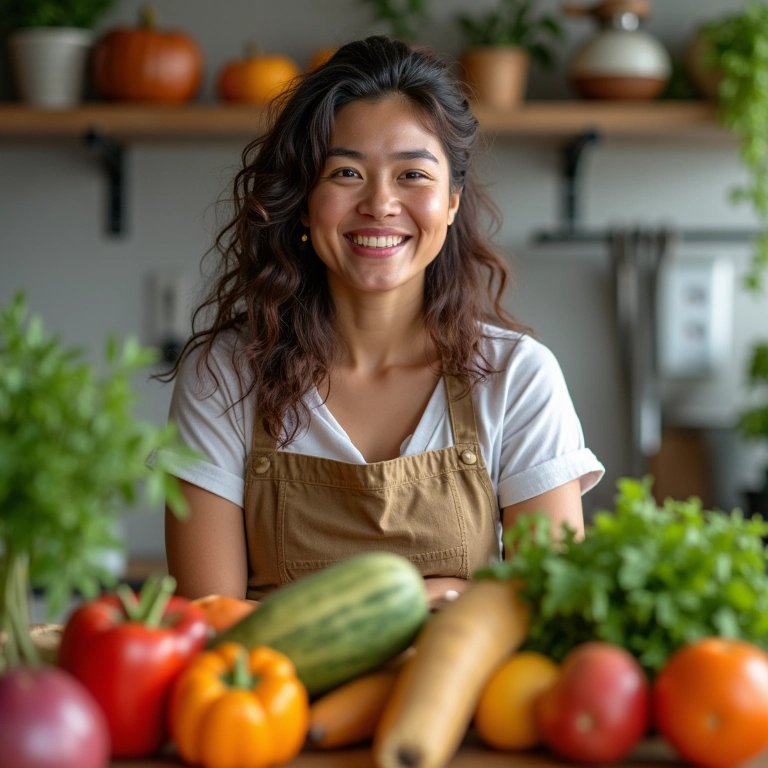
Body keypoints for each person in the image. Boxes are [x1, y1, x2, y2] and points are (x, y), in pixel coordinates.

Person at [155, 36, 604, 608]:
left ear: (452, 200)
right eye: (345, 173)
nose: (380, 204)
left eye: (413, 175)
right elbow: (210, 623)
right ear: (304, 197)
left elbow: (549, 610)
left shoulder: (517, 377)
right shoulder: (223, 374)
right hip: (273, 698)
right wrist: (433, 596)